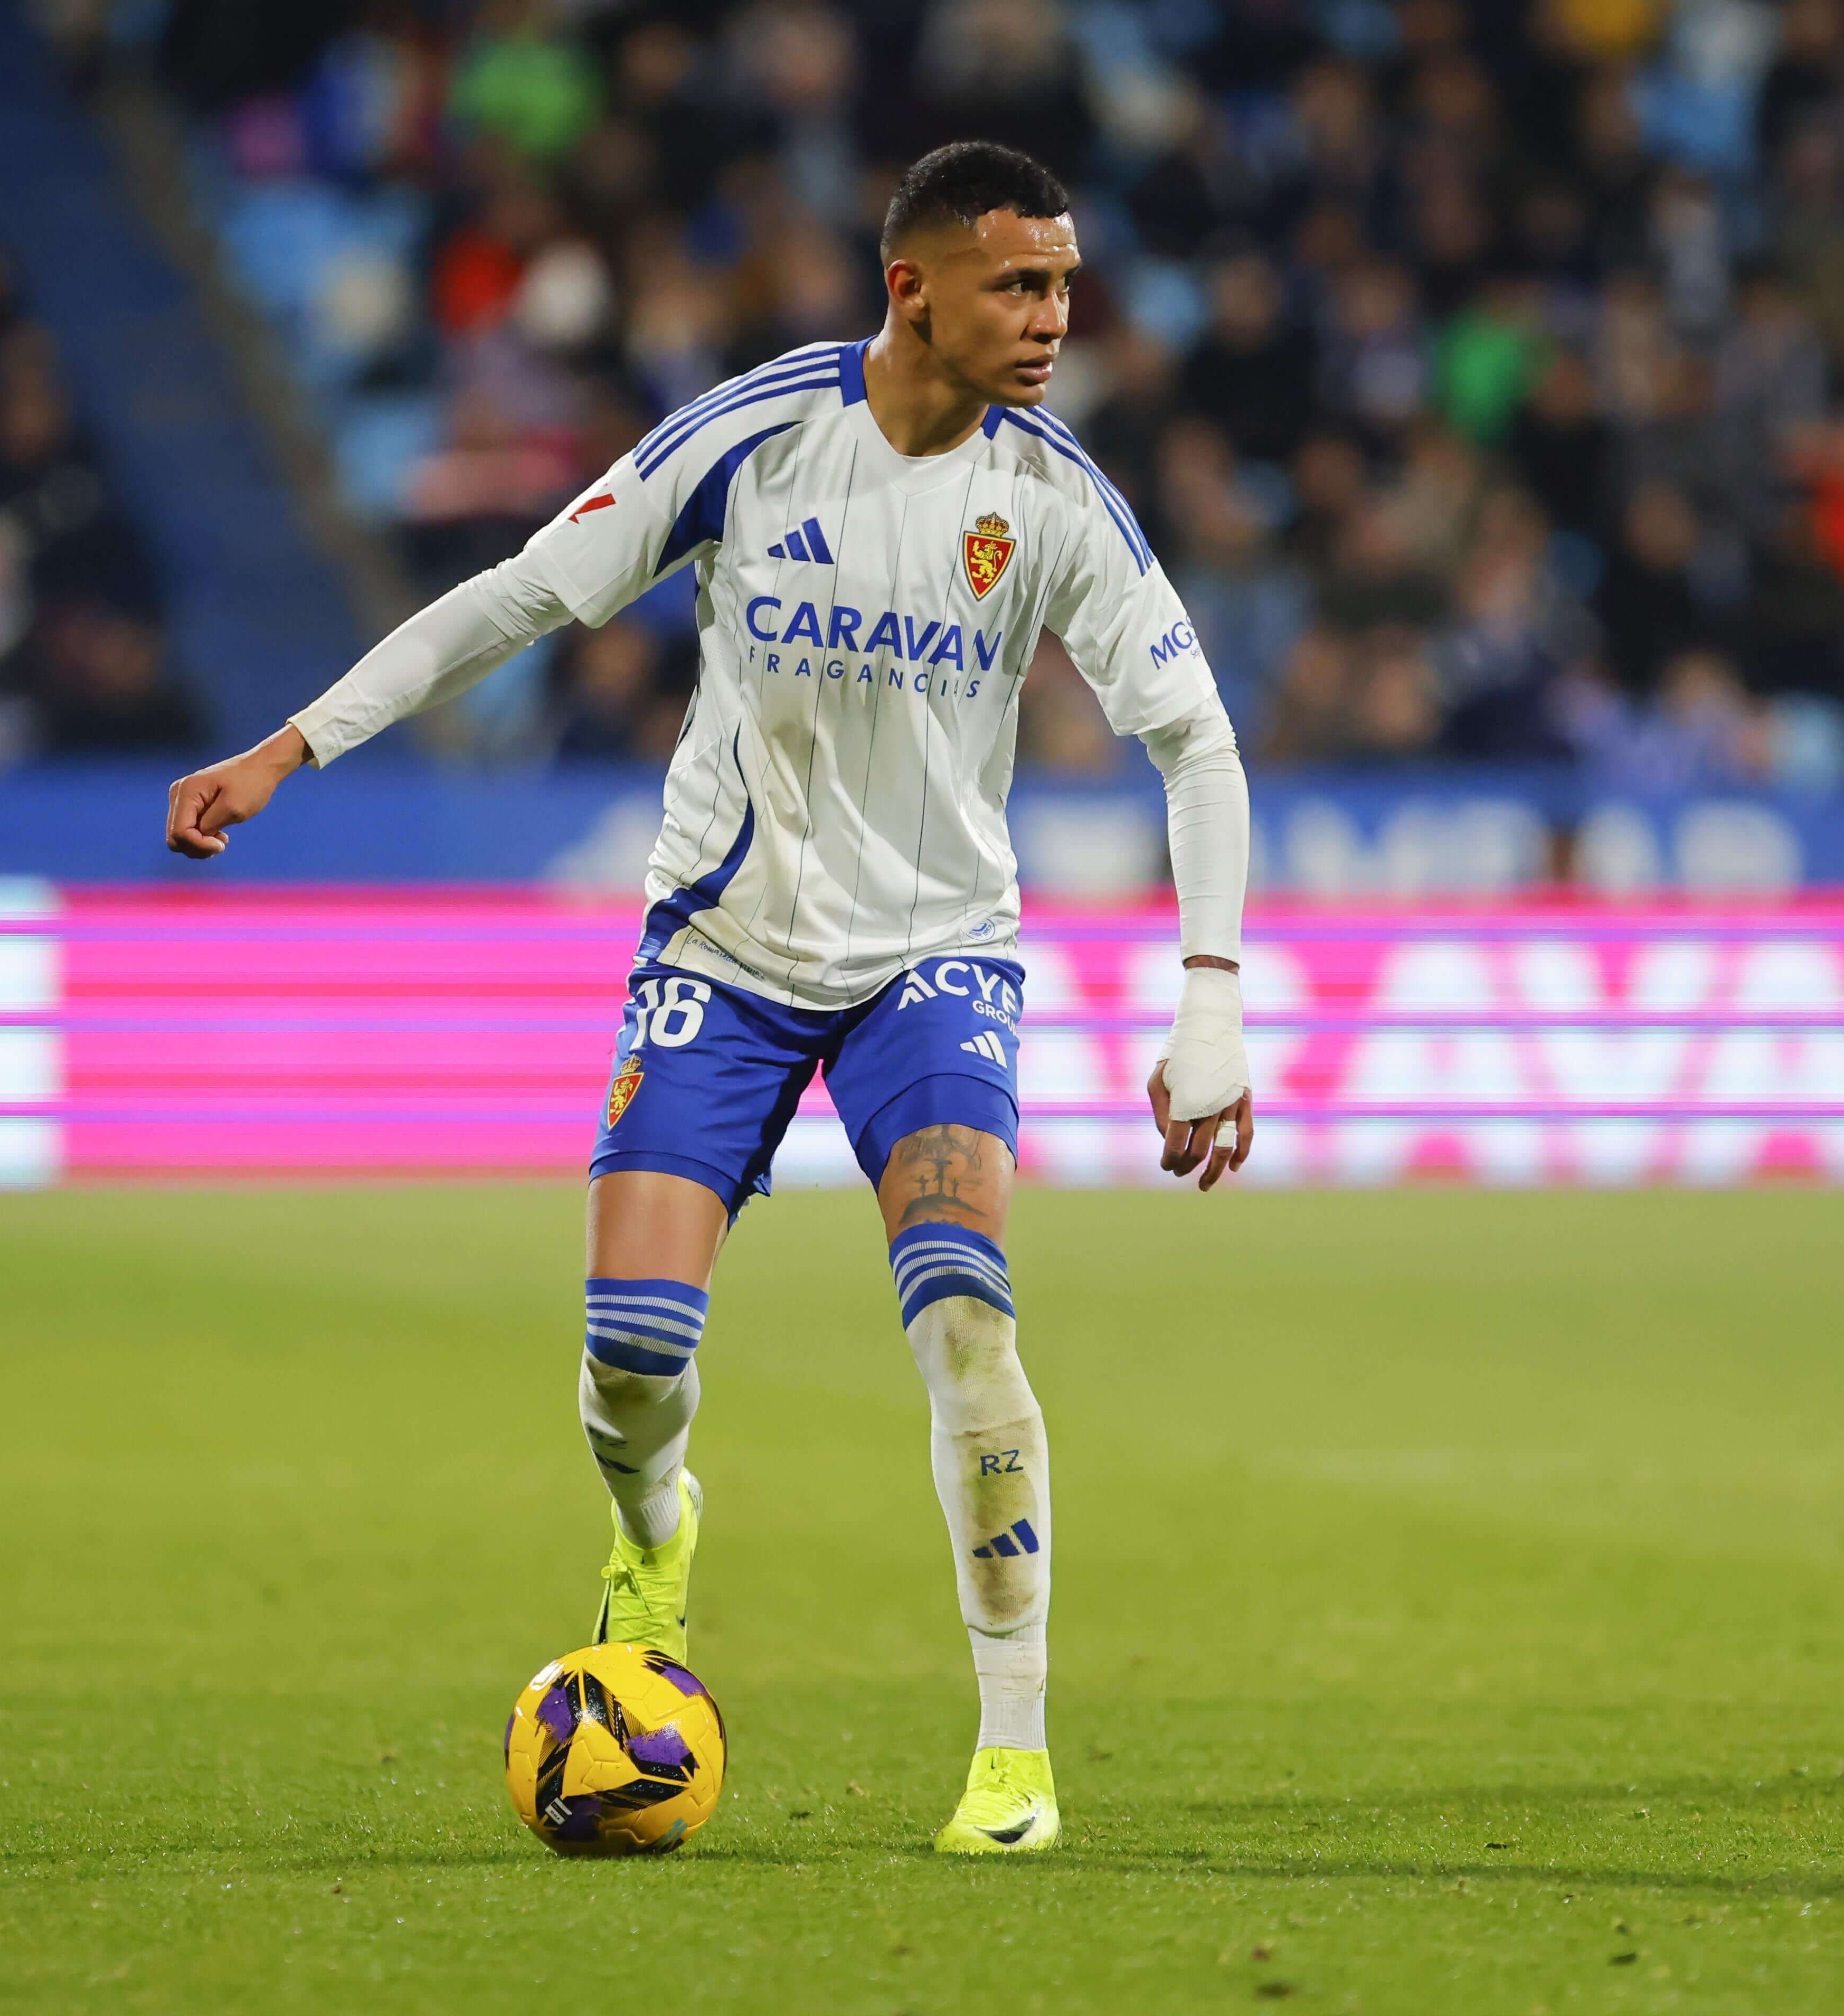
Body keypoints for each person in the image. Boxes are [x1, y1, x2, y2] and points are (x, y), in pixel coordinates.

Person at [160, 143, 1254, 1857]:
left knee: (968, 1317)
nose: (1054, 318)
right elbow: (524, 591)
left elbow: (1194, 738)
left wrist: (1211, 1002)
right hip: (722, 957)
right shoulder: (751, 440)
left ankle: (1016, 1754)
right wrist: (294, 743)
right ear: (912, 288)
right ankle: (654, 1531)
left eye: (1063, 284)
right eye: (1017, 284)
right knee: (629, 1364)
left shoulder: (1051, 498)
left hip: (933, 960)